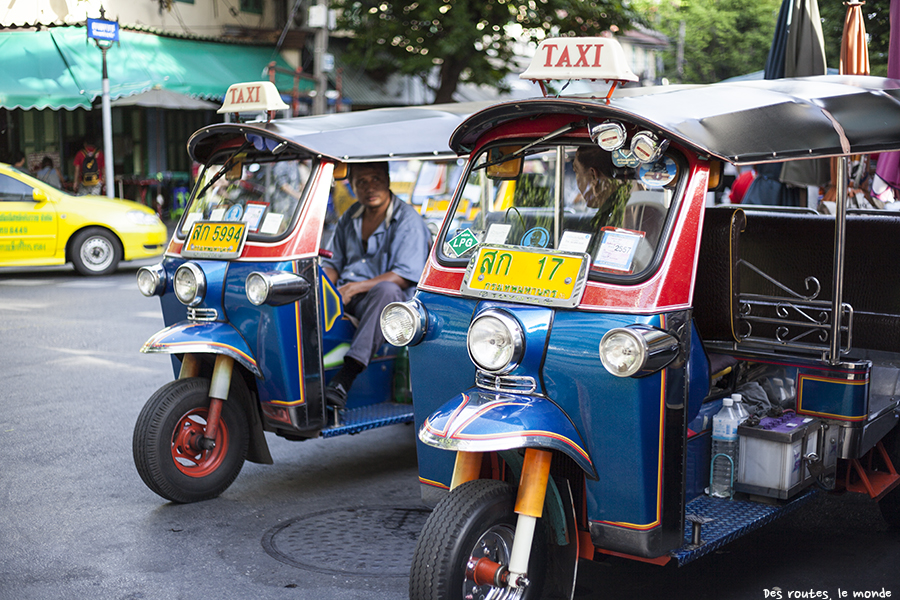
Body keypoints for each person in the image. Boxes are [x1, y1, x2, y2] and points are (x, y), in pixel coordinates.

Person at [321, 161, 431, 411]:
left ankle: (345, 378)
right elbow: (333, 263)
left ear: (388, 180)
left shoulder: (407, 220)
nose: (370, 187)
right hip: (350, 296)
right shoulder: (349, 217)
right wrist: (324, 287)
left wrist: (354, 288)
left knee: (387, 292)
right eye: (362, 182)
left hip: (393, 304)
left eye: (376, 180)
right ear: (353, 186)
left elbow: (403, 275)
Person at [573, 146, 632, 251]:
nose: (577, 182)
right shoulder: (624, 201)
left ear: (593, 176)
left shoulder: (624, 211)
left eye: (577, 172)